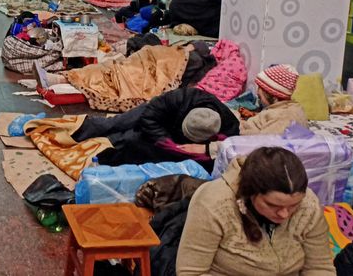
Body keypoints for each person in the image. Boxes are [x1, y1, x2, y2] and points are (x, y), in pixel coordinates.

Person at [177, 147, 334, 275]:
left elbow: (319, 267)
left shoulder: (308, 204)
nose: (284, 214)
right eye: (273, 205)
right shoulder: (214, 203)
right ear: (250, 192)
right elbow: (191, 272)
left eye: (294, 205)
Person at [69, 87, 240, 164]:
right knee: (115, 123)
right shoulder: (182, 97)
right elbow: (149, 117)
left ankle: (100, 151)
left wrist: (206, 149)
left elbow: (233, 148)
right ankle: (73, 132)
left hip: (173, 133)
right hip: (157, 116)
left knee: (128, 140)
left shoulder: (229, 124)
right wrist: (166, 142)